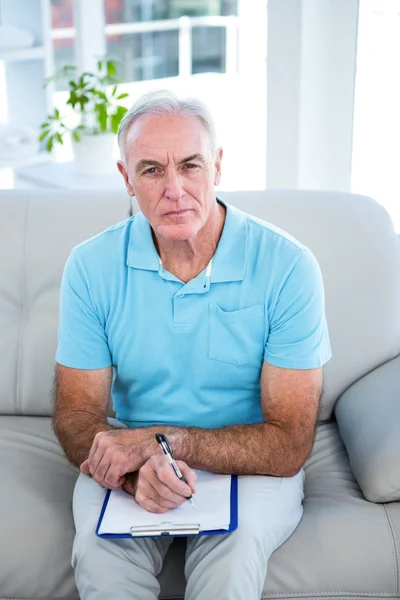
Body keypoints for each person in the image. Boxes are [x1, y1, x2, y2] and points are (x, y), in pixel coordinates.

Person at [53, 89, 332, 600]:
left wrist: (167, 442)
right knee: (98, 554)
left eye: (191, 165)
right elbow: (76, 417)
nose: (175, 190)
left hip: (251, 459)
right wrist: (137, 477)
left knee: (235, 557)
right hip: (133, 454)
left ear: (218, 167)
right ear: (126, 180)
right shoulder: (91, 266)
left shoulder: (289, 267)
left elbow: (289, 443)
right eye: (152, 170)